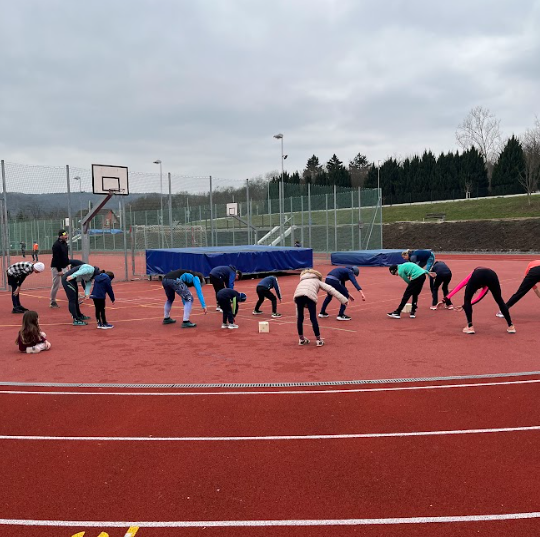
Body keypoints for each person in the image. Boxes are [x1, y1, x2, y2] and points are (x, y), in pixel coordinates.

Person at [440, 267, 516, 335]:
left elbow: (460, 285)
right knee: (499, 300)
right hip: (492, 275)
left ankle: (470, 326)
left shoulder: (474, 275)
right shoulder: (486, 284)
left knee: (467, 299)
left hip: (478, 275)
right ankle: (511, 326)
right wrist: (447, 300)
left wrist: (446, 299)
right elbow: (479, 297)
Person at [293, 268, 348, 347]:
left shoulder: (302, 281)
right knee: (313, 318)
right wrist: (343, 299)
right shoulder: (317, 280)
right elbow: (331, 289)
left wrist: (297, 315)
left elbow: (298, 294)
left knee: (300, 318)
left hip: (298, 297)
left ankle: (301, 339)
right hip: (310, 297)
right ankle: (318, 340)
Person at [50, 230, 70, 308]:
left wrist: (67, 264)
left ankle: (74, 298)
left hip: (64, 266)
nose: (66, 236)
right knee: (56, 284)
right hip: (56, 267)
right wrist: (59, 270)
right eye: (65, 235)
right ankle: (52, 301)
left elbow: (65, 256)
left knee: (68, 282)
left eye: (66, 235)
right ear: (60, 236)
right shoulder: (56, 245)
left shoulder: (65, 244)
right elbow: (56, 258)